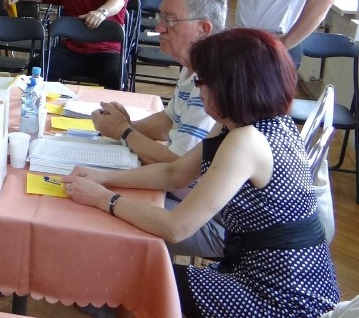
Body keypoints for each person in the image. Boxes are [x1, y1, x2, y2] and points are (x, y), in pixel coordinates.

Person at [64, 28, 340, 318]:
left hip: (281, 297)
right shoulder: (251, 123)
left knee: (133, 276)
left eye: (201, 80)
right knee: (134, 271)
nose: (199, 89)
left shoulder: (246, 140)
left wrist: (106, 200)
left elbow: (176, 228)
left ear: (229, 86)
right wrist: (104, 178)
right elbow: (175, 173)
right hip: (273, 276)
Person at [91, 0, 227, 258]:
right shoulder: (192, 67)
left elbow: (178, 169)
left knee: (102, 217)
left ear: (203, 28)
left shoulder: (214, 84)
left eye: (170, 19)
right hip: (185, 197)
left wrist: (124, 133)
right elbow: (167, 122)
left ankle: (109, 294)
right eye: (160, 16)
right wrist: (123, 126)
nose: (158, 27)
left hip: (211, 221)